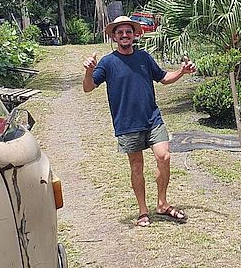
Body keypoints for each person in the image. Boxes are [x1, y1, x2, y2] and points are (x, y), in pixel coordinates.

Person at [82, 16, 196, 227]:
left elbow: (163, 78)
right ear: (114, 37)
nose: (124, 35)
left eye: (128, 32)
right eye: (120, 32)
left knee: (164, 156)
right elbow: (88, 87)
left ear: (135, 35)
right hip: (127, 123)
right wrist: (89, 70)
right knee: (137, 167)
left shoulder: (144, 57)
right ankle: (143, 211)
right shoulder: (108, 62)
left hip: (152, 119)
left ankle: (162, 204)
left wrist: (182, 71)